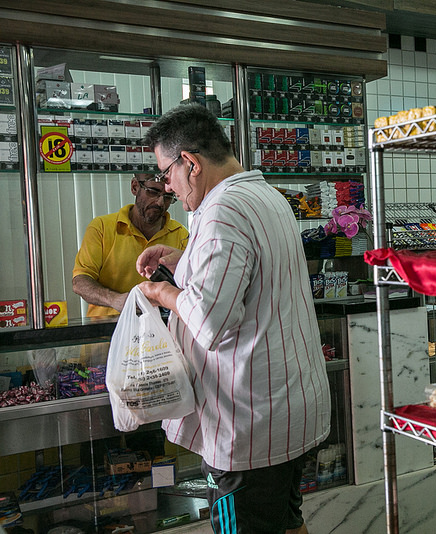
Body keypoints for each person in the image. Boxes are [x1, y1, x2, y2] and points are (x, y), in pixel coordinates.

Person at [136, 104, 330, 534]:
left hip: (248, 426)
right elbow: (245, 273)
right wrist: (184, 260)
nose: (166, 187)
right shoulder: (264, 196)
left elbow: (211, 325)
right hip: (286, 411)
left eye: (166, 174)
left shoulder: (223, 211)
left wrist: (163, 292)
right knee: (286, 521)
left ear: (190, 162)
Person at [72, 173, 189, 316]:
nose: (159, 203)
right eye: (153, 192)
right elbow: (80, 281)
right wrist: (115, 300)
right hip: (107, 329)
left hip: (159, 331)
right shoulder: (102, 227)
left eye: (168, 196)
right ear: (135, 187)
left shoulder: (181, 234)